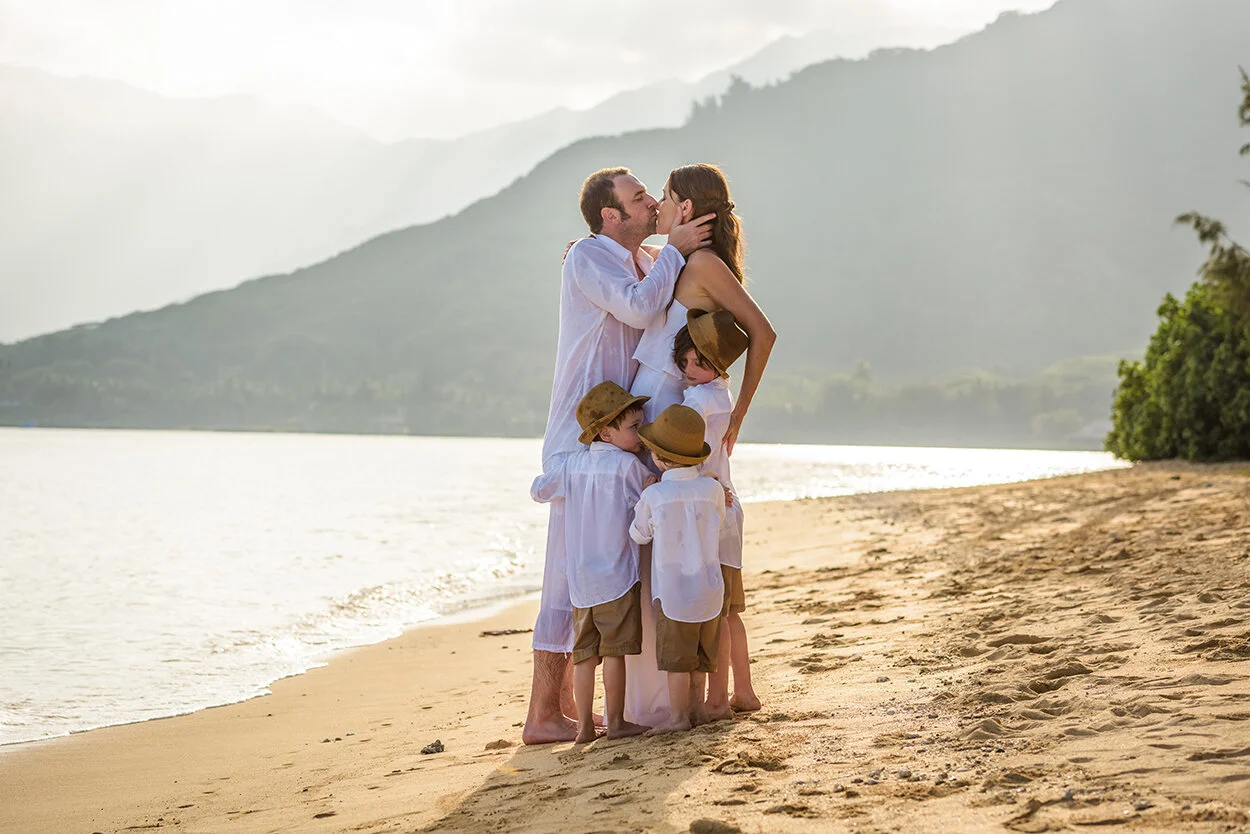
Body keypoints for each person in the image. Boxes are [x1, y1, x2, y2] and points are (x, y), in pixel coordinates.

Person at [524, 167, 715, 745]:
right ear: (611, 216)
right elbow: (636, 309)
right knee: (566, 573)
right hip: (581, 439)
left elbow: (646, 281)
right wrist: (675, 250)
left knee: (600, 567)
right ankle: (543, 713)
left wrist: (665, 248)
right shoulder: (590, 254)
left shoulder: (630, 256)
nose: (653, 201)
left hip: (616, 433)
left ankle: (568, 708)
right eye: (639, 198)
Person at [624, 163, 776, 727]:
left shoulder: (706, 264)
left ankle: (702, 695)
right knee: (671, 555)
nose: (659, 206)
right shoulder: (679, 262)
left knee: (692, 556)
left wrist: (738, 413)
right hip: (663, 417)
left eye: (664, 197)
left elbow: (763, 331)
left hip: (679, 422)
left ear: (685, 207)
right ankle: (670, 692)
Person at [530, 382, 654, 742]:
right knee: (614, 653)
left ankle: (584, 726)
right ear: (606, 431)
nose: (641, 433)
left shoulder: (573, 466)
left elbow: (539, 490)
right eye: (634, 427)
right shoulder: (628, 466)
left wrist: (554, 469)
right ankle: (615, 722)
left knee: (585, 655)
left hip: (581, 583)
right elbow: (651, 496)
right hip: (618, 576)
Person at [672, 309, 760, 719]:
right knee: (730, 612)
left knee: (717, 613)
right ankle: (743, 691)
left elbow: (677, 442)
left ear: (719, 365)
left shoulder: (698, 401)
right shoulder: (721, 393)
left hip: (711, 509)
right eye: (686, 361)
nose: (690, 370)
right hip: (728, 503)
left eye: (700, 363)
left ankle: (718, 700)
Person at [629, 404, 726, 735]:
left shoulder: (655, 495)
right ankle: (698, 709)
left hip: (673, 590)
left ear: (658, 458)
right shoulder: (713, 489)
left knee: (677, 660)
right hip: (710, 586)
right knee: (701, 655)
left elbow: (639, 534)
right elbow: (719, 522)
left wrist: (644, 497)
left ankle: (678, 717)